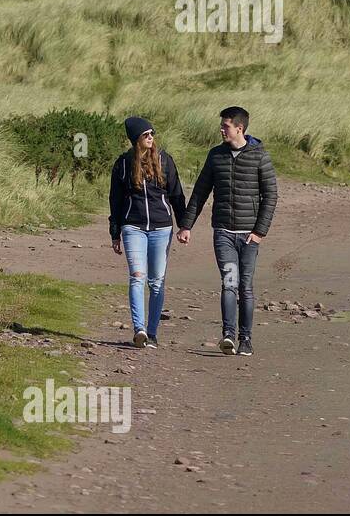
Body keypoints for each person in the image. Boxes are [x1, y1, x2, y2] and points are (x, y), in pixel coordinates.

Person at [177, 106, 278, 356]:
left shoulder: (259, 156)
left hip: (249, 236)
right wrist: (186, 225)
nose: (221, 130)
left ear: (239, 128)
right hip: (223, 233)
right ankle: (228, 335)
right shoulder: (215, 156)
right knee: (229, 283)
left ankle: (246, 339)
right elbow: (200, 192)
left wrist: (259, 232)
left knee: (245, 286)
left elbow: (271, 196)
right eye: (222, 126)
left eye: (226, 126)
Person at [109, 117, 186, 349]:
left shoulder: (165, 160)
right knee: (137, 277)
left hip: (162, 228)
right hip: (133, 227)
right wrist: (115, 233)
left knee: (156, 282)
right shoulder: (123, 163)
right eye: (146, 135)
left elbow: (177, 195)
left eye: (152, 133)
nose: (151, 138)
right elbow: (115, 200)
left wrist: (184, 226)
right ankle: (139, 329)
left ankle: (152, 333)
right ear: (136, 139)